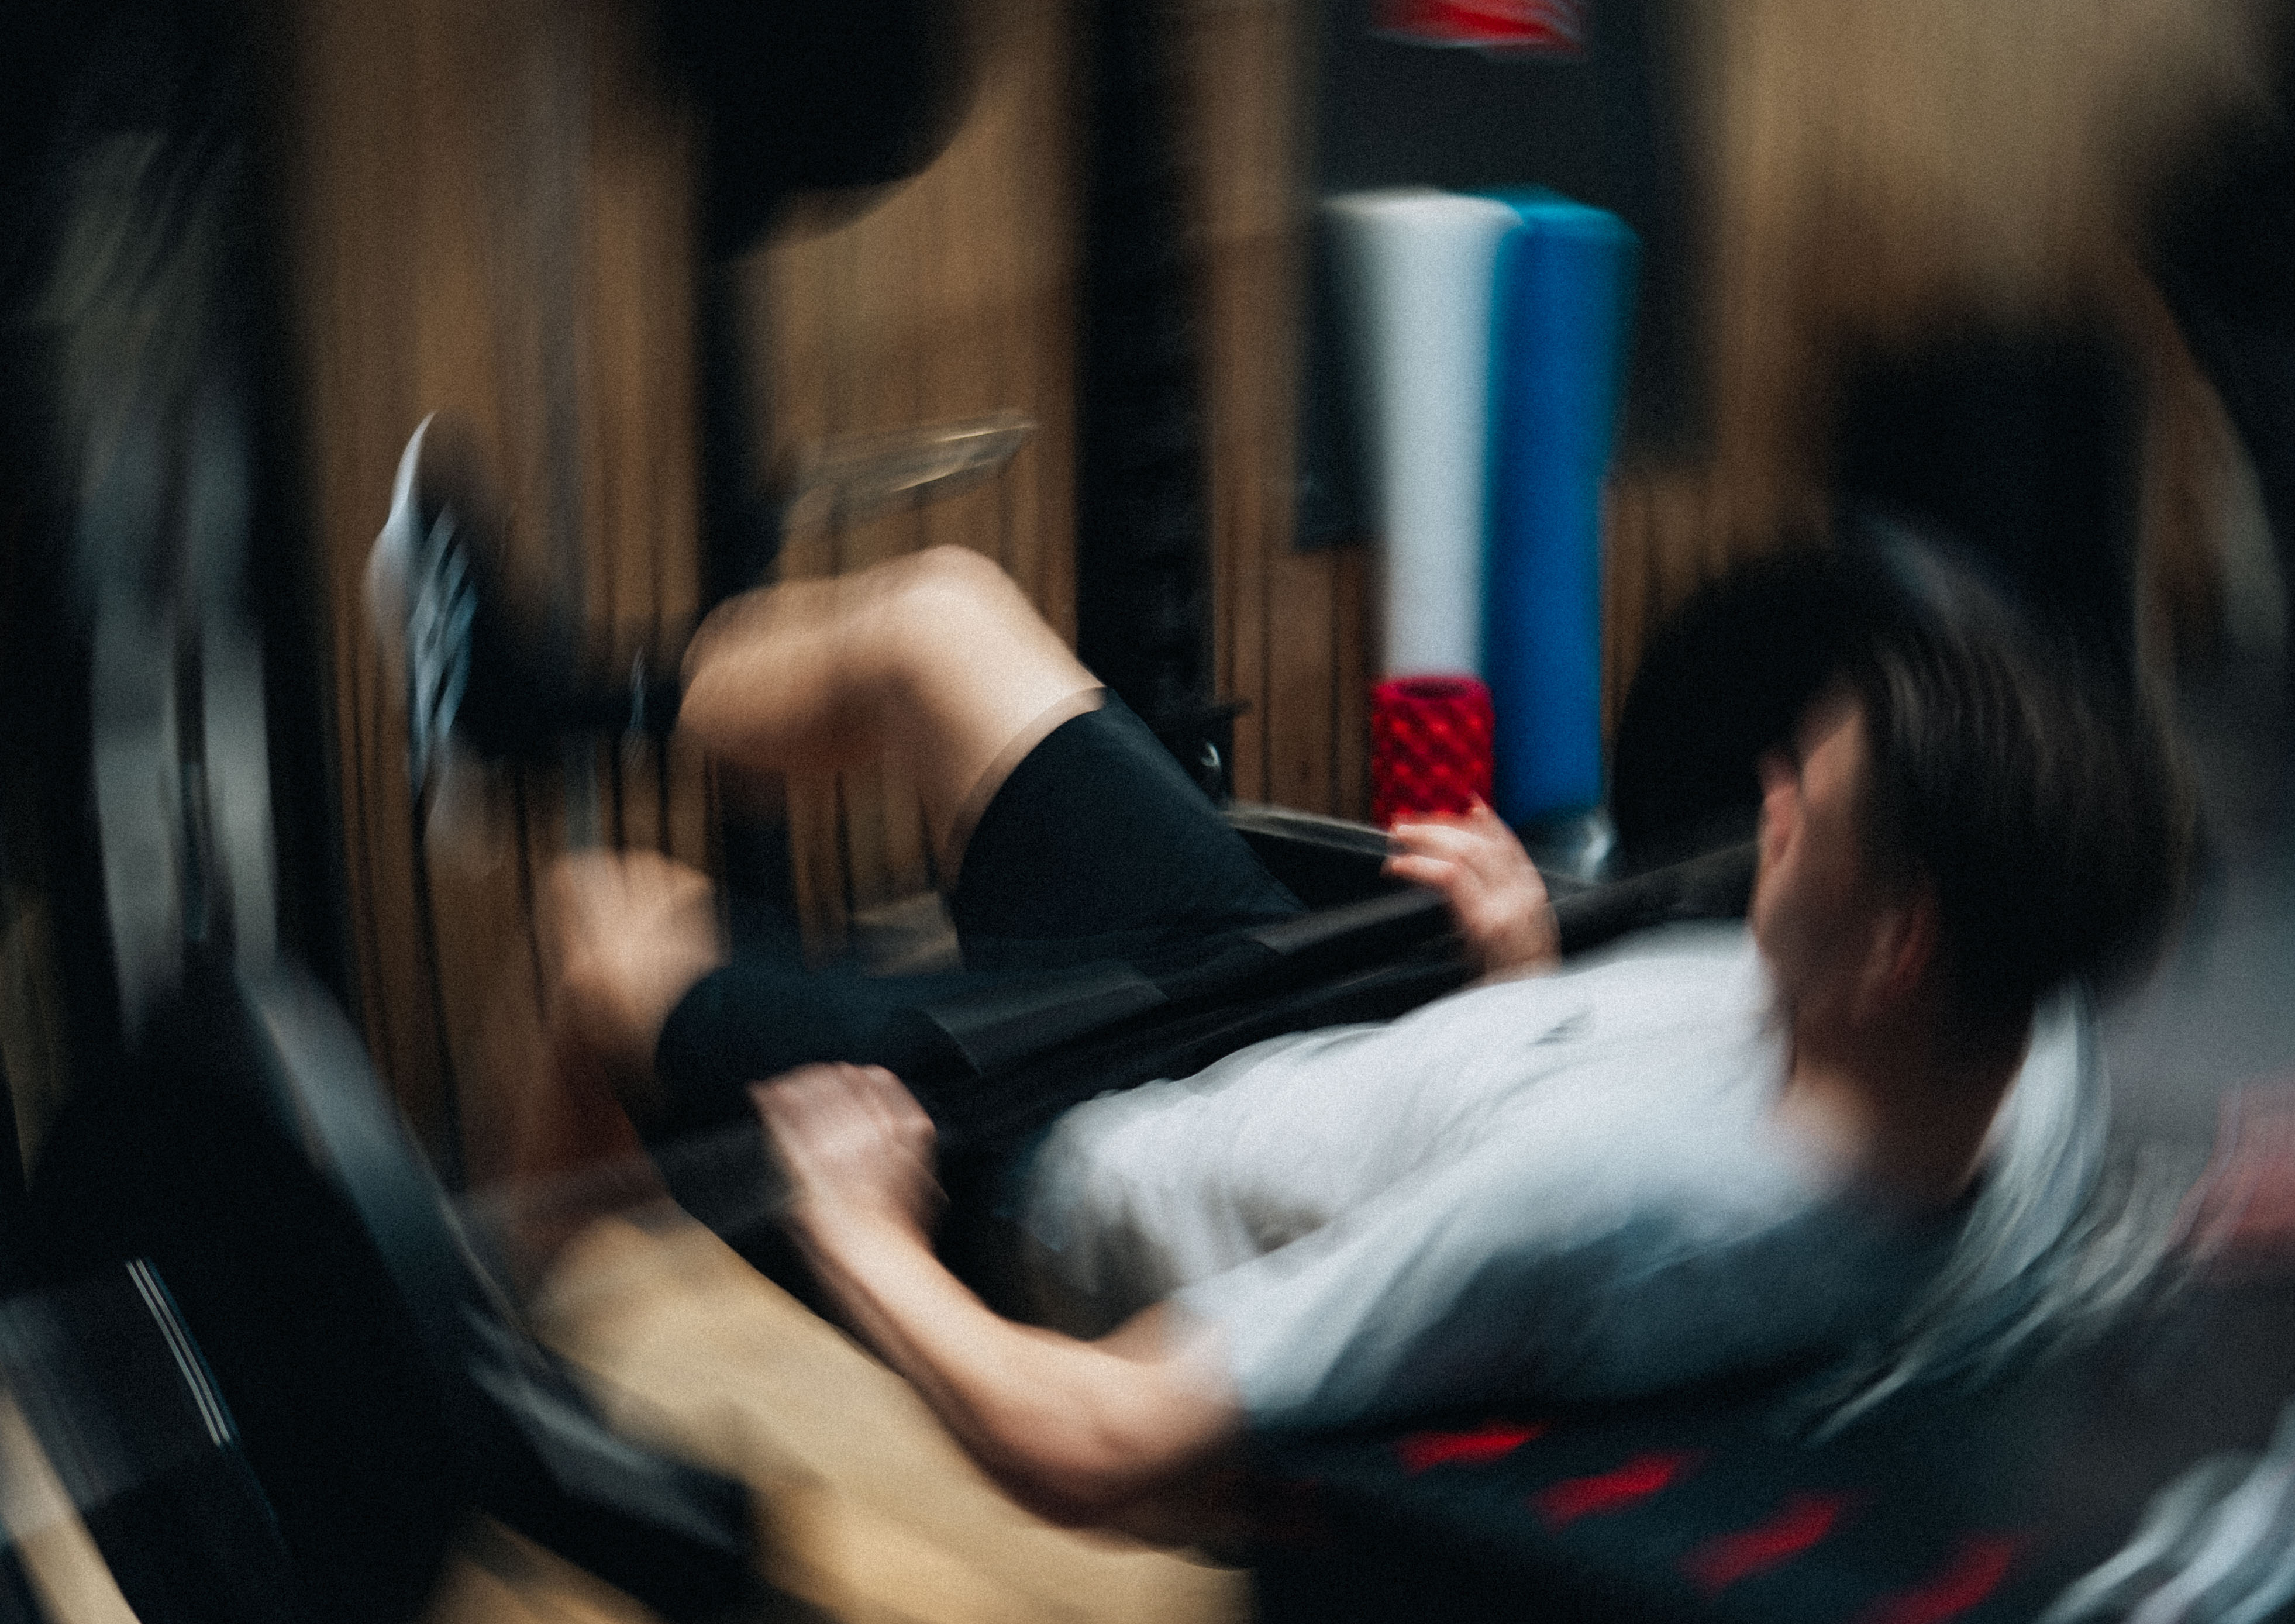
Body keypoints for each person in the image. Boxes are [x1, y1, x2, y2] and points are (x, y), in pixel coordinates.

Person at [371, 418, 2190, 1526]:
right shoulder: (2019, 1069)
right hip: (1275, 1015)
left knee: (599, 929)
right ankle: (527, 701)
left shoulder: (1615, 1205)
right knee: (937, 619)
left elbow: (1104, 1439)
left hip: (1066, 1166)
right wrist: (1521, 988)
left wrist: (866, 1237)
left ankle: (466, 1389)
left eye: (1812, 813)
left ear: (1897, 945)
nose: (1767, 797)